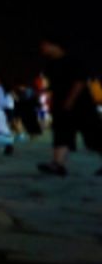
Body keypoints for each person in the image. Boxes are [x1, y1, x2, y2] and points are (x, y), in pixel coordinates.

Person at [37, 38, 102, 176]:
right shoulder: (50, 64)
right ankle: (58, 165)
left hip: (82, 105)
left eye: (45, 44)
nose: (42, 48)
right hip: (61, 105)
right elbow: (53, 87)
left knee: (94, 137)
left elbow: (80, 82)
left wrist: (70, 102)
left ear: (56, 45)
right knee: (61, 133)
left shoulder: (73, 60)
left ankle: (58, 164)